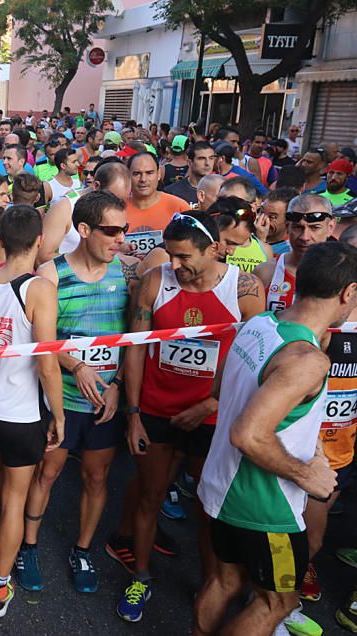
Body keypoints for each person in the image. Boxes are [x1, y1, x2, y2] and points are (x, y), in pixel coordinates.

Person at [194, 241, 357, 635]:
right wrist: (305, 474)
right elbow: (246, 434)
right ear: (348, 293)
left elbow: (226, 391)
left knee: (224, 582)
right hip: (265, 507)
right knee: (279, 602)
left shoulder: (261, 323)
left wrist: (309, 443)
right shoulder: (307, 359)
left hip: (220, 486)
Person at [116, 211, 266, 623]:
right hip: (156, 411)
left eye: (184, 258)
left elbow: (254, 357)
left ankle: (210, 583)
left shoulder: (246, 289)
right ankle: (140, 577)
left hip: (211, 418)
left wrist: (214, 403)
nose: (176, 266)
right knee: (150, 497)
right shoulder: (154, 281)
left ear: (214, 249)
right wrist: (133, 414)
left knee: (208, 507)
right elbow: (135, 348)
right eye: (172, 257)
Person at [20, 191, 134, 597]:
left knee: (97, 475)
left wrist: (119, 386)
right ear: (83, 230)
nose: (120, 238)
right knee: (47, 472)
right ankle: (28, 547)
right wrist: (77, 365)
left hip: (106, 401)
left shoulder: (126, 275)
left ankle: (83, 550)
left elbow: (131, 341)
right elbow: (41, 339)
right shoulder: (50, 274)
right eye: (111, 230)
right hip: (60, 398)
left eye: (125, 229)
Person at [0, 205, 65, 618]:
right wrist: (58, 415)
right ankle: (0, 586)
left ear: (2, 240)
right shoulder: (39, 288)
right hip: (21, 413)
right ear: (39, 241)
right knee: (15, 497)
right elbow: (46, 361)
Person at [256, 194, 336, 312]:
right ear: (287, 227)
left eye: (314, 228)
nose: (305, 237)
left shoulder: (344, 274)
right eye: (298, 227)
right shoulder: (265, 272)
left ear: (330, 227)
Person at [125, 152, 189, 258]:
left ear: (159, 174)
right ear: (128, 175)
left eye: (149, 173)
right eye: (137, 173)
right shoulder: (116, 209)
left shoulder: (179, 207)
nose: (143, 179)